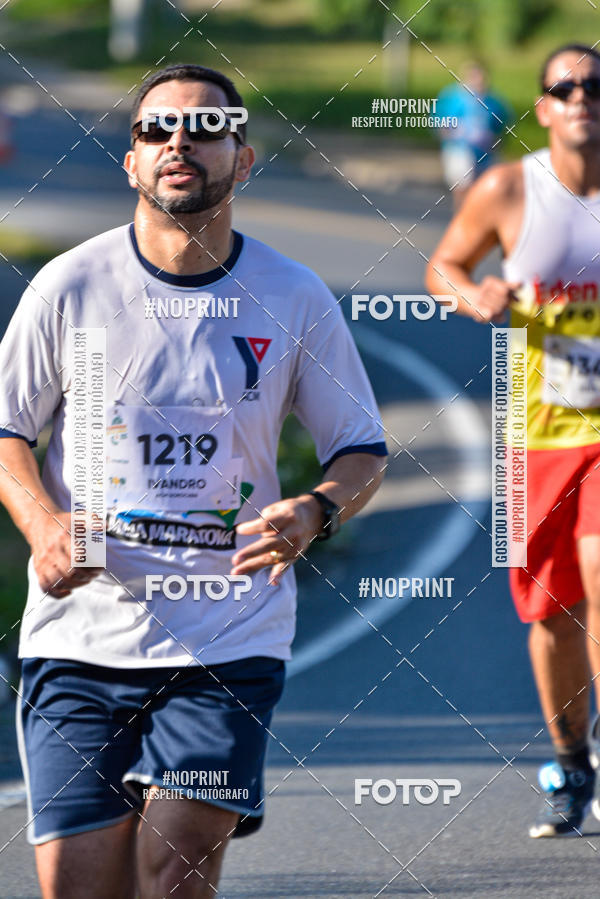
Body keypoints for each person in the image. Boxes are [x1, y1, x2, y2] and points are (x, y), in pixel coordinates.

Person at [0, 63, 387, 897]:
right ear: (131, 161)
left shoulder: (293, 295)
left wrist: (316, 509)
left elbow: (361, 449)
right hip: (80, 637)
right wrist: (44, 525)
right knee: (80, 885)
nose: (180, 141)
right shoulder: (70, 285)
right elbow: (7, 433)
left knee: (175, 861)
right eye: (156, 129)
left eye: (207, 127)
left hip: (227, 638)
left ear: (243, 160)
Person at [426, 43, 600, 838]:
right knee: (552, 615)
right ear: (543, 108)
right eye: (565, 87)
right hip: (534, 435)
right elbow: (443, 266)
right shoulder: (507, 188)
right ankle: (571, 762)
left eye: (595, 85)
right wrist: (475, 292)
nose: (582, 97)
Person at [436, 60, 512, 210]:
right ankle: (461, 216)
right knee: (463, 188)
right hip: (459, 150)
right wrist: (453, 136)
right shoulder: (452, 99)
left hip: (486, 154)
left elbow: (502, 129)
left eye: (480, 77)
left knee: (484, 191)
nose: (477, 81)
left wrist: (494, 143)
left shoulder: (494, 102)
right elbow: (440, 123)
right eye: (473, 77)